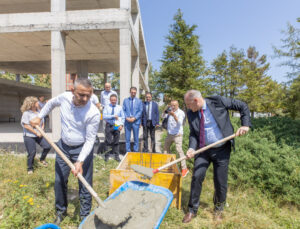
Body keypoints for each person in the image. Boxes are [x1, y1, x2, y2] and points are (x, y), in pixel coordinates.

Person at [30, 78, 100, 225]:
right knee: (59, 180)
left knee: (85, 183)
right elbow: (50, 103)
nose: (85, 99)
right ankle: (61, 212)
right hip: (63, 147)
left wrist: (80, 161)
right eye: (81, 95)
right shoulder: (64, 97)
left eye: (88, 95)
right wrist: (39, 116)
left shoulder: (93, 112)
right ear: (73, 91)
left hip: (82, 149)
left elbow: (90, 140)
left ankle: (84, 216)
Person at [182, 90, 251, 223]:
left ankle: (219, 209)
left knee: (220, 181)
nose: (188, 108)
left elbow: (242, 106)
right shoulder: (191, 113)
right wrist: (191, 148)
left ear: (196, 100)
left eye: (189, 105)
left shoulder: (217, 101)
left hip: (222, 149)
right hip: (203, 149)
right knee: (197, 176)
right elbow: (193, 134)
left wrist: (245, 124)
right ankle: (192, 210)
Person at [20, 96, 51, 174]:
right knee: (32, 152)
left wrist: (42, 130)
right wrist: (36, 133)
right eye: (37, 102)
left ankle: (42, 159)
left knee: (47, 147)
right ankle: (30, 168)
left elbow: (43, 122)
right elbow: (26, 125)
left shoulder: (39, 112)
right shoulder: (26, 113)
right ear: (32, 104)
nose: (38, 103)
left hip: (39, 134)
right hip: (29, 136)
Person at [163, 100, 189, 178]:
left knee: (179, 150)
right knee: (165, 149)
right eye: (171, 105)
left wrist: (174, 115)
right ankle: (169, 165)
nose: (173, 107)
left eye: (174, 105)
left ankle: (184, 169)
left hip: (178, 135)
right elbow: (162, 116)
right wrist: (166, 109)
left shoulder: (181, 113)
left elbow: (180, 123)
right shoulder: (170, 111)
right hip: (170, 134)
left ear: (178, 105)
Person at [102, 94, 125, 162]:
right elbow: (104, 116)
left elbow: (123, 117)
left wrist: (121, 125)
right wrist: (113, 116)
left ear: (116, 100)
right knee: (108, 141)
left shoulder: (119, 107)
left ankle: (116, 157)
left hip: (116, 125)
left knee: (116, 142)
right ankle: (106, 157)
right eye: (112, 100)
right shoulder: (106, 107)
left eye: (114, 100)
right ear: (110, 100)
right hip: (109, 125)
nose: (113, 101)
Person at [122, 86, 143, 152]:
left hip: (135, 121)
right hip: (127, 121)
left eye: (134, 92)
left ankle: (135, 151)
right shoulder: (125, 100)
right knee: (127, 138)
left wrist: (134, 118)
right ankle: (128, 151)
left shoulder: (139, 101)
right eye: (132, 92)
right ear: (130, 92)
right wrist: (126, 117)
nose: (133, 93)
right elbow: (123, 110)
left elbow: (140, 111)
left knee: (136, 138)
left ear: (136, 92)